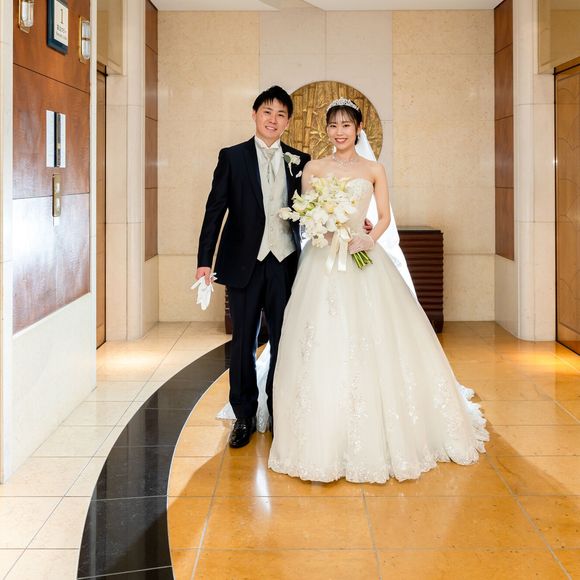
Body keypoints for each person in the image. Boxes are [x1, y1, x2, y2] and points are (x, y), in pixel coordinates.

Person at [267, 98, 488, 483]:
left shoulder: (373, 170)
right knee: (319, 337)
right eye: (333, 125)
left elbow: (383, 217)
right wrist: (324, 228)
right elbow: (306, 216)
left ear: (358, 129)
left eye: (346, 125)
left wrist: (369, 240)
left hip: (361, 255)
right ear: (326, 130)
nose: (339, 132)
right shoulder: (313, 168)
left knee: (374, 336)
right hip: (322, 261)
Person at [196, 86, 310, 448]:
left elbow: (315, 210)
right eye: (267, 112)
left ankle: (277, 411)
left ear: (288, 121)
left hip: (285, 264)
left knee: (283, 341)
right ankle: (243, 416)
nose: (273, 120)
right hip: (244, 263)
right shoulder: (232, 157)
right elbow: (215, 211)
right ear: (255, 115)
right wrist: (204, 261)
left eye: (281, 114)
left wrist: (354, 224)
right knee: (243, 341)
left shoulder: (300, 160)